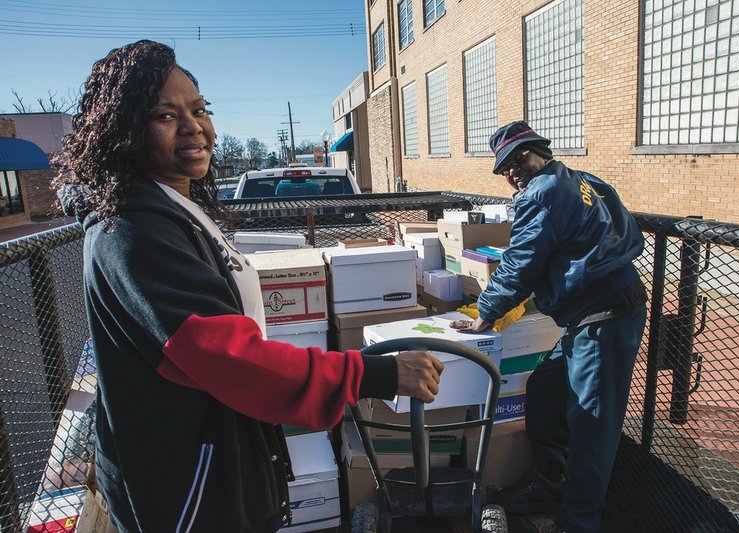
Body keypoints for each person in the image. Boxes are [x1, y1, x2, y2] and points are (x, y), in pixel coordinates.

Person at [53, 40, 444, 533]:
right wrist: (374, 374)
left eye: (198, 109)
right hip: (186, 486)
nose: (193, 126)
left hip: (211, 453)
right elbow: (230, 357)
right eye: (164, 115)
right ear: (124, 130)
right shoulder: (133, 231)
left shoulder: (169, 207)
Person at [452, 121, 647, 533]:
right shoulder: (582, 181)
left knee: (592, 424)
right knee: (544, 389)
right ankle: (550, 482)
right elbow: (623, 230)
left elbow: (521, 264)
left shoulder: (542, 192)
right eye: (505, 166)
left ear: (540, 150)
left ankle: (578, 521)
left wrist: (485, 314)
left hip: (604, 316)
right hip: (591, 313)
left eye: (519, 158)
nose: (513, 170)